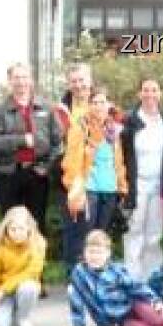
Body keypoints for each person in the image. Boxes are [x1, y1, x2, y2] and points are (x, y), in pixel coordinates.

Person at [0, 63, 63, 243]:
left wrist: (46, 166)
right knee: (10, 224)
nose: (21, 82)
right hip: (9, 173)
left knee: (36, 223)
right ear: (9, 81)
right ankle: (12, 269)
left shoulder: (46, 107)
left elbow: (58, 142)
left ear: (31, 80)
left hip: (37, 173)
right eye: (16, 78)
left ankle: (35, 268)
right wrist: (21, 140)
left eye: (24, 77)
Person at [61, 86, 128, 264]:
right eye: (94, 102)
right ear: (89, 105)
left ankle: (101, 275)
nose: (99, 106)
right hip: (88, 189)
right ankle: (80, 276)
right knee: (85, 237)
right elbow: (71, 160)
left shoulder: (114, 129)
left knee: (102, 236)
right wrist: (73, 188)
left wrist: (122, 187)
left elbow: (118, 162)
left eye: (102, 102)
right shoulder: (81, 127)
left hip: (110, 189)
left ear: (108, 105)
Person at [120, 77, 163, 278]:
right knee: (133, 231)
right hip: (136, 183)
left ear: (160, 94)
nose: (150, 94)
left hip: (159, 184)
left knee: (154, 234)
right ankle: (132, 278)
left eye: (154, 90)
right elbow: (121, 153)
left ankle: (152, 279)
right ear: (139, 94)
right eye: (145, 90)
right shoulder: (130, 121)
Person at [52, 63, 95, 276]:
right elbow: (52, 142)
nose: (78, 85)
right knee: (73, 228)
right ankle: (73, 275)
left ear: (90, 81)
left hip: (96, 178)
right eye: (74, 81)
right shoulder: (59, 111)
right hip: (69, 179)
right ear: (69, 85)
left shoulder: (102, 106)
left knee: (93, 229)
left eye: (82, 80)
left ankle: (94, 273)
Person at [0, 206, 45, 326]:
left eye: (21, 228)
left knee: (29, 287)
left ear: (29, 228)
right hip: (4, 296)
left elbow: (33, 271)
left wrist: (5, 288)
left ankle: (23, 318)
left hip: (22, 288)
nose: (17, 233)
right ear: (6, 229)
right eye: (12, 229)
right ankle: (9, 316)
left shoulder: (38, 244)